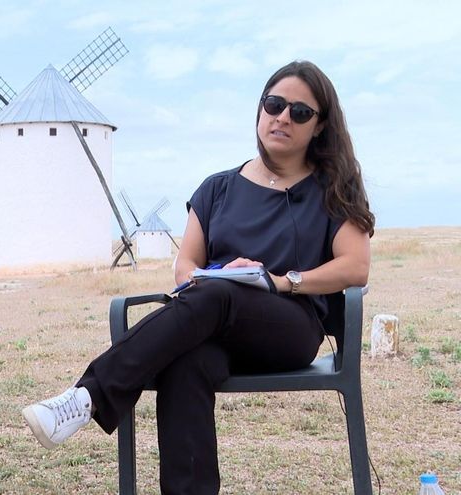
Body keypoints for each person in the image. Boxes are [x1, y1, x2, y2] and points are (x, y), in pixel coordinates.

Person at [22, 60, 375, 494]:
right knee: (185, 361)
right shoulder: (217, 188)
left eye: (300, 112)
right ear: (260, 109)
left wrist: (278, 281)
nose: (283, 117)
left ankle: (88, 396)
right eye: (274, 104)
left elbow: (355, 266)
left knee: (218, 297)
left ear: (319, 126)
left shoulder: (333, 187)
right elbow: (185, 267)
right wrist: (217, 275)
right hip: (210, 328)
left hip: (289, 329)